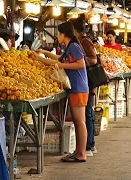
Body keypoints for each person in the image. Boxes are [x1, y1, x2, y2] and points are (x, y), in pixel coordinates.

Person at [31, 21, 89, 162]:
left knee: (79, 121)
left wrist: (60, 65)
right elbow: (60, 59)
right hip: (76, 88)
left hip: (79, 88)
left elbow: (81, 64)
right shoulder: (70, 47)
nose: (58, 36)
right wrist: (44, 53)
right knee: (78, 121)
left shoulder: (74, 46)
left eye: (58, 33)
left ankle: (81, 154)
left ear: (63, 34)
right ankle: (78, 152)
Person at [71, 18, 98, 157]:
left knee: (87, 113)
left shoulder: (85, 41)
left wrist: (78, 60)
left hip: (88, 82)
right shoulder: (78, 42)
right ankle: (89, 145)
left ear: (74, 29)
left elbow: (93, 60)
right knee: (88, 113)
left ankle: (88, 145)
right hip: (84, 81)